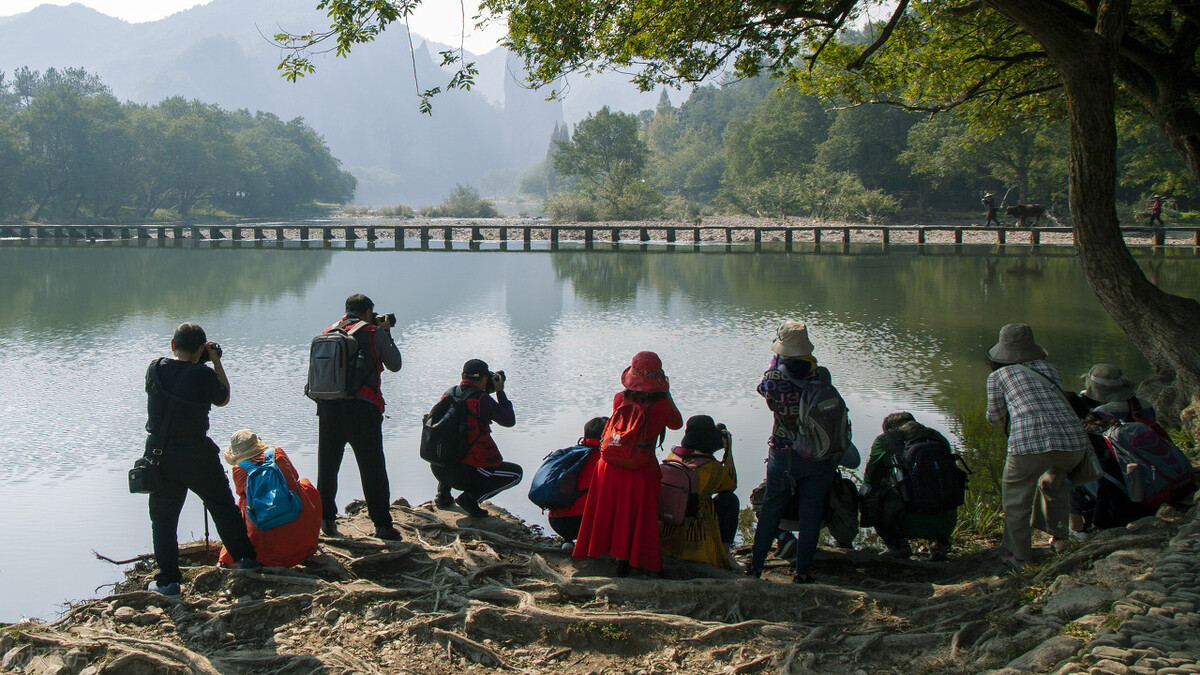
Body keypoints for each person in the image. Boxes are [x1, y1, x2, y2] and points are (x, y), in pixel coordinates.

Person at [144, 323, 259, 598]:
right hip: (195, 452)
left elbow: (177, 375)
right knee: (222, 506)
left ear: (173, 344)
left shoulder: (154, 368)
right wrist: (215, 359)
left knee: (163, 518)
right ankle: (246, 560)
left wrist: (198, 359)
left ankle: (169, 582)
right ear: (200, 348)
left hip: (159, 453)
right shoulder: (203, 374)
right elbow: (223, 397)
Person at [746, 321, 850, 584]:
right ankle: (802, 572)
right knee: (811, 512)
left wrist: (774, 363)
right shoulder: (820, 375)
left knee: (771, 508)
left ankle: (756, 567)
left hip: (784, 454)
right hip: (818, 455)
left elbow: (764, 393)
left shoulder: (774, 379)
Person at [986, 323, 1089, 569]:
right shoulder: (1050, 368)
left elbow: (995, 418)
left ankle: (1020, 556)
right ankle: (1060, 539)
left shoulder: (997, 376)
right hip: (1073, 442)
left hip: (1028, 445)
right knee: (1054, 482)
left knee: (1016, 499)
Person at [574, 351, 683, 576]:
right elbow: (677, 424)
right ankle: (632, 561)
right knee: (638, 515)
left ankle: (615, 559)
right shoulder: (662, 405)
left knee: (613, 512)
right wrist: (667, 393)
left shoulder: (619, 399)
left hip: (610, 465)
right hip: (640, 468)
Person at [315, 293, 404, 540]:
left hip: (328, 408)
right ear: (367, 313)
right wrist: (385, 331)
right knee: (372, 468)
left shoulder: (329, 331)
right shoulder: (373, 333)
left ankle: (327, 521)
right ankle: (383, 526)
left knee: (328, 466)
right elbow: (395, 364)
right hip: (363, 410)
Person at [1069, 364, 1157, 537]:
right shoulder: (1145, 406)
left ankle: (1076, 528)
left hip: (1119, 481)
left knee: (1067, 469)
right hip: (1150, 475)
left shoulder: (1102, 413)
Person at [431, 359, 522, 518]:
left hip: (438, 469)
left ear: (462, 375)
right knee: (516, 474)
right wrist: (500, 391)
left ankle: (443, 495)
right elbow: (509, 420)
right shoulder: (481, 400)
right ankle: (470, 499)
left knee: (451, 443)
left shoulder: (448, 394)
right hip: (465, 474)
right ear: (483, 379)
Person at [862, 412, 957, 561]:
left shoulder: (885, 440)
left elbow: (869, 478)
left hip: (909, 523)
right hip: (947, 523)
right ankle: (939, 544)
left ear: (889, 429)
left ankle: (898, 546)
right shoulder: (939, 438)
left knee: (873, 491)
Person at [218, 430, 321, 568]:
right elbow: (294, 478)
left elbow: (242, 494)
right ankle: (309, 536)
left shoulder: (238, 470)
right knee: (305, 485)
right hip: (299, 536)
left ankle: (232, 555)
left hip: (265, 549)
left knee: (243, 503)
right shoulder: (278, 453)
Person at [659, 415, 739, 571]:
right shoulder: (713, 469)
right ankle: (724, 552)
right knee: (730, 500)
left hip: (665, 530)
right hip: (695, 535)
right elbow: (731, 483)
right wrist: (728, 451)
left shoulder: (672, 457)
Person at [546, 417, 608, 546]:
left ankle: (568, 541)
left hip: (556, 522)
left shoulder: (572, 454)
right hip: (582, 522)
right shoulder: (604, 458)